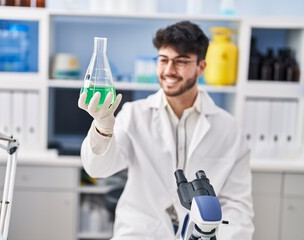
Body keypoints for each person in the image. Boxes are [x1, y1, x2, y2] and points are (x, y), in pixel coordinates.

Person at [78, 21, 254, 240]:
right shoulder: (134, 115)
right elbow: (97, 168)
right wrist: (103, 127)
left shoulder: (228, 129)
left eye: (181, 61)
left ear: (201, 67)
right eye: (163, 60)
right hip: (140, 233)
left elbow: (237, 204)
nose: (169, 70)